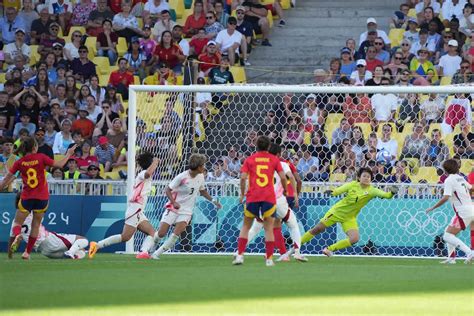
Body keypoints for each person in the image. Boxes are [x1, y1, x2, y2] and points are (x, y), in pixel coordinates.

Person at [0, 137, 76, 260]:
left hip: (27, 197)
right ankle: (27, 253)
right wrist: (68, 154)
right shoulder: (41, 157)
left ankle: (18, 235)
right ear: (34, 147)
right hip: (42, 197)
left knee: (17, 223)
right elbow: (60, 164)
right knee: (36, 225)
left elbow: (6, 179)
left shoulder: (20, 162)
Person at [298, 167, 397, 257]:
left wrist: (392, 192)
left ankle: (329, 249)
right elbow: (339, 190)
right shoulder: (352, 185)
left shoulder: (372, 191)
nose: (366, 178)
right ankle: (296, 245)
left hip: (349, 217)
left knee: (354, 239)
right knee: (317, 229)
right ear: (359, 177)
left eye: (369, 177)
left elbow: (387, 195)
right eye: (364, 176)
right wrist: (332, 192)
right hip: (337, 212)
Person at [149, 154, 221, 259]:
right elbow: (167, 189)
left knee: (175, 234)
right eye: (203, 165)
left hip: (187, 211)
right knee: (161, 233)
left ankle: (156, 254)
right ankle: (152, 247)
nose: (205, 167)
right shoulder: (182, 177)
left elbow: (202, 191)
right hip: (173, 208)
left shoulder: (200, 176)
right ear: (198, 166)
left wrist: (214, 201)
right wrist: (173, 202)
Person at [89, 152, 160, 259]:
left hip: (138, 211)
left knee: (152, 232)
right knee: (125, 237)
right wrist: (155, 162)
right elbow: (148, 173)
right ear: (150, 163)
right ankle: (97, 245)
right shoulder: (143, 173)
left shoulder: (144, 175)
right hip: (135, 210)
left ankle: (143, 252)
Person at [246, 143, 306, 262]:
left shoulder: (260, 165)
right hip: (280, 199)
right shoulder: (283, 164)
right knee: (292, 224)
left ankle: (240, 250)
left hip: (264, 200)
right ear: (279, 154)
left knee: (258, 227)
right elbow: (293, 178)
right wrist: (295, 194)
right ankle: (296, 253)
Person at [233, 135, 287, 266]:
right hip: (268, 197)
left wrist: (242, 194)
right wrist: (285, 190)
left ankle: (240, 256)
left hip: (253, 196)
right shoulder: (274, 160)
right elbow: (283, 178)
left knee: (246, 226)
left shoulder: (250, 159)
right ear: (268, 146)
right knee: (269, 228)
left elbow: (242, 178)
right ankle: (269, 259)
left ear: (256, 145)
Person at [426, 159, 474, 264]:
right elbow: (471, 188)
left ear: (445, 169)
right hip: (470, 208)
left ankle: (469, 252)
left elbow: (446, 197)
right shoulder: (460, 178)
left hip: (463, 211)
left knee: (447, 236)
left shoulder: (449, 180)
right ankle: (451, 258)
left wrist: (432, 208)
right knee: (448, 233)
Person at [8, 206, 88, 259]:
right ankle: (70, 253)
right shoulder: (34, 213)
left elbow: (11, 240)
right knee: (83, 240)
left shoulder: (15, 222)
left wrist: (10, 256)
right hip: (49, 240)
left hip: (44, 251)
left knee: (81, 252)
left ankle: (70, 253)